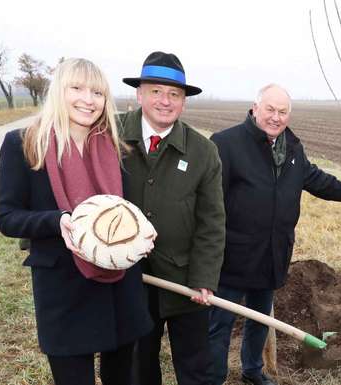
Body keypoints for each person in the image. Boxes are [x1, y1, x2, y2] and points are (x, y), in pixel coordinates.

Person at [0, 58, 153, 385]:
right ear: (58, 92)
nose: (88, 99)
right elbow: (7, 217)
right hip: (64, 289)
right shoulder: (24, 143)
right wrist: (58, 221)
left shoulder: (117, 147)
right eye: (77, 88)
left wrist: (141, 232)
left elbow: (127, 211)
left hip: (120, 286)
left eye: (97, 92)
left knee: (122, 377)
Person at [208, 84, 341, 385]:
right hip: (232, 255)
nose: (276, 117)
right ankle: (212, 378)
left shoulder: (292, 148)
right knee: (220, 323)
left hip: (273, 253)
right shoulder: (226, 144)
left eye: (282, 112)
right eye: (270, 109)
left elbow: (317, 179)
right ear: (255, 108)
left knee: (260, 319)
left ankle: (252, 370)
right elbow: (209, 201)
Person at [120, 51, 226, 385]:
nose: (165, 101)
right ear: (139, 94)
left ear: (184, 101)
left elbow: (212, 221)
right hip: (128, 278)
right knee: (138, 364)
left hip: (184, 281)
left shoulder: (202, 151)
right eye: (156, 91)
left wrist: (204, 278)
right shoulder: (110, 134)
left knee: (195, 367)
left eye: (174, 94)